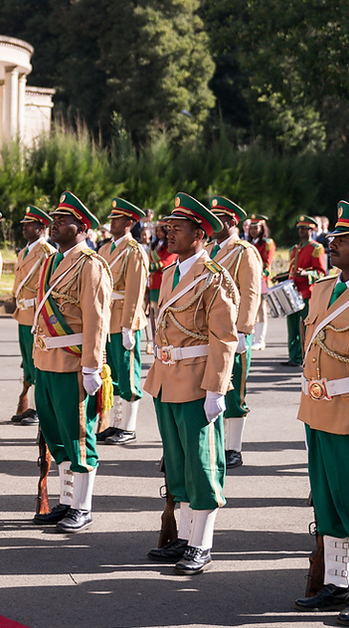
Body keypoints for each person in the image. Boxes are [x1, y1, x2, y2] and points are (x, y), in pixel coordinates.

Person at [143, 193, 237, 575]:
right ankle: (183, 536)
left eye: (177, 229)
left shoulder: (215, 278)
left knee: (202, 464)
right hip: (166, 379)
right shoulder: (169, 272)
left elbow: (224, 338)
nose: (169, 234)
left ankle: (202, 544)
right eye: (167, 227)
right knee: (178, 464)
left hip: (197, 381)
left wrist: (216, 388)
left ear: (200, 233)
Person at [293, 200, 349, 626]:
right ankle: (338, 581)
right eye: (335, 235)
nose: (334, 242)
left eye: (346, 238)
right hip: (318, 411)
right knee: (327, 503)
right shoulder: (324, 288)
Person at [30, 191, 112, 532]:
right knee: (55, 434)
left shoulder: (91, 265)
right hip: (46, 360)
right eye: (55, 219)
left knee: (78, 435)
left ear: (82, 227)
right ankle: (66, 501)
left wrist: (93, 365)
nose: (56, 223)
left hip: (72, 362)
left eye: (64, 220)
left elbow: (97, 319)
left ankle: (82, 506)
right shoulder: (51, 261)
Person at [207, 196, 263, 470]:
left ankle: (233, 448)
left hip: (232, 332)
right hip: (209, 332)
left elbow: (251, 293)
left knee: (234, 391)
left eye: (218, 219)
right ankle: (215, 444)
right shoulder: (209, 249)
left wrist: (243, 330)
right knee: (211, 386)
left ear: (231, 221)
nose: (212, 224)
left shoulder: (244, 252)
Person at [98, 198, 148, 446]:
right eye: (112, 218)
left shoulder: (134, 251)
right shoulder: (105, 249)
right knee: (113, 374)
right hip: (107, 319)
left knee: (128, 374)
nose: (112, 222)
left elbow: (135, 293)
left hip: (123, 319)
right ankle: (116, 423)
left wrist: (129, 325)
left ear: (130, 223)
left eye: (118, 219)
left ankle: (129, 427)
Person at [10, 205, 55, 426]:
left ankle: (38, 409)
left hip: (36, 315)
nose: (25, 229)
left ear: (42, 227)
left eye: (30, 225)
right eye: (24, 225)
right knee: (27, 362)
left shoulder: (47, 253)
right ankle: (30, 406)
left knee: (38, 362)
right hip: (23, 314)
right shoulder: (24, 252)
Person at [285, 216, 327, 367]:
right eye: (300, 229)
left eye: (305, 229)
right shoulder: (295, 249)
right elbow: (292, 270)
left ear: (312, 230)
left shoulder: (316, 248)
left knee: (304, 327)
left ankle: (304, 357)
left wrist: (306, 274)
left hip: (307, 293)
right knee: (292, 326)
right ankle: (293, 357)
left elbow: (321, 273)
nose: (302, 231)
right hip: (292, 293)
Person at [147, 222, 177, 351]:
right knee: (154, 315)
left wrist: (149, 266)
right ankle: (156, 342)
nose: (158, 233)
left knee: (162, 316)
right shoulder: (155, 246)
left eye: (161, 230)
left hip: (163, 282)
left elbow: (166, 263)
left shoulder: (169, 246)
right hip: (153, 283)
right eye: (156, 230)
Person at [249, 216, 276, 350]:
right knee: (250, 309)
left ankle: (260, 339)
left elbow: (267, 263)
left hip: (261, 280)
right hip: (248, 280)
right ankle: (252, 337)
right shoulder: (248, 243)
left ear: (261, 229)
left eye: (256, 228)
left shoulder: (267, 243)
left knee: (260, 310)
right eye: (251, 228)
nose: (253, 231)